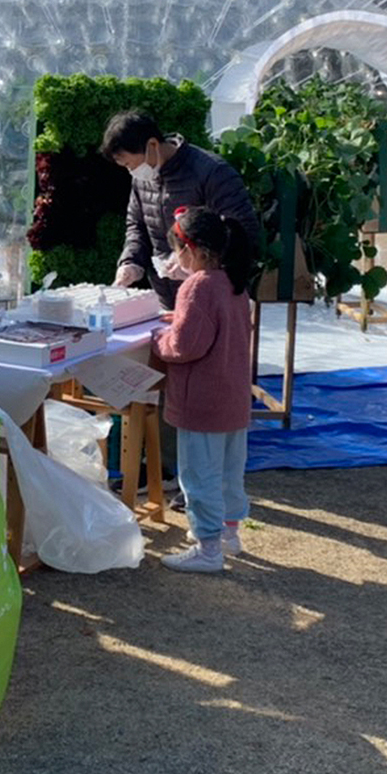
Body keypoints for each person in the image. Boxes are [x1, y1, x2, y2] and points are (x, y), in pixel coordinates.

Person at [104, 110, 261, 485]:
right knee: (163, 382)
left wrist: (202, 269)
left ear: (153, 146)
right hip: (169, 294)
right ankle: (163, 468)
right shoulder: (141, 181)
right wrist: (131, 263)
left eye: (131, 163)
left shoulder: (211, 171)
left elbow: (243, 232)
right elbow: (136, 226)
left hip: (211, 294)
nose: (131, 172)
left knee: (202, 380)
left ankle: (189, 473)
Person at [150, 207, 255, 573]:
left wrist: (159, 339)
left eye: (177, 249)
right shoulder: (233, 282)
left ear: (190, 250)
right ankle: (228, 534)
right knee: (228, 472)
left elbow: (184, 347)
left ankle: (208, 547)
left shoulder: (197, 286)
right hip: (233, 398)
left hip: (201, 402)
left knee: (198, 475)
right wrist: (178, 322)